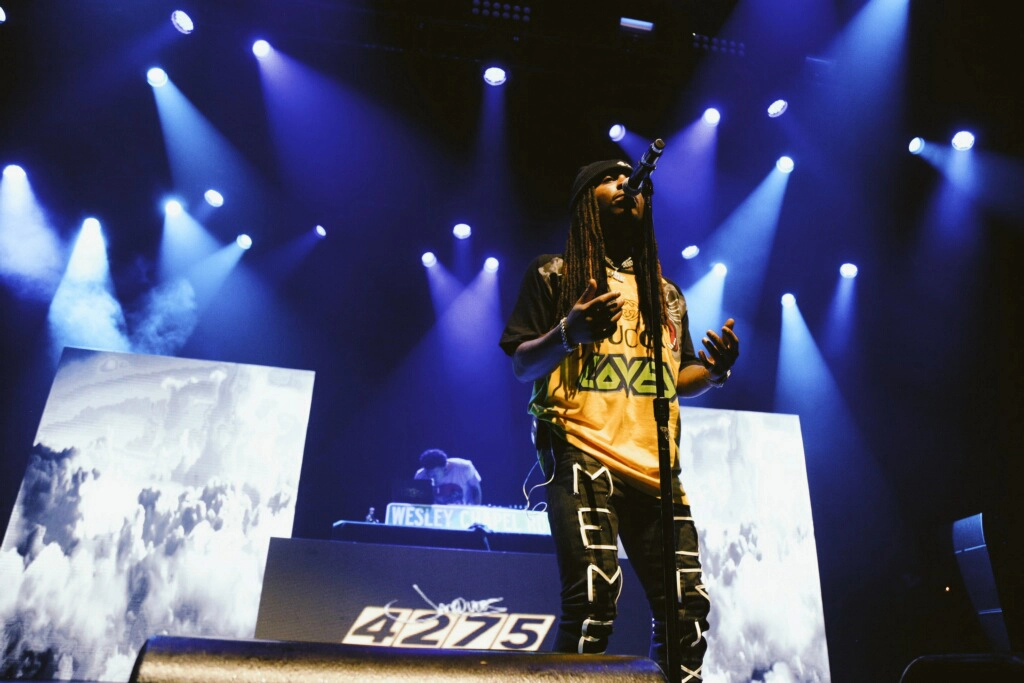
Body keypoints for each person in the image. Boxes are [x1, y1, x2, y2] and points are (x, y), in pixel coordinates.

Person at [499, 159, 739, 682]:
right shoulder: (556, 274)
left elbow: (673, 377)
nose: (630, 184)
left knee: (687, 618)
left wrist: (715, 373)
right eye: (613, 177)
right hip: (583, 452)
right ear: (587, 197)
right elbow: (522, 364)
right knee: (592, 605)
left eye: (638, 181)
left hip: (657, 470)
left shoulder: (666, 295)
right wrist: (570, 331)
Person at [413, 448, 482, 505]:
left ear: (445, 469)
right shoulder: (420, 475)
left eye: (434, 474)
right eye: (428, 473)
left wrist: (476, 511)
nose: (431, 476)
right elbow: (419, 501)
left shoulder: (464, 467)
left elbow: (476, 490)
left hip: (463, 513)